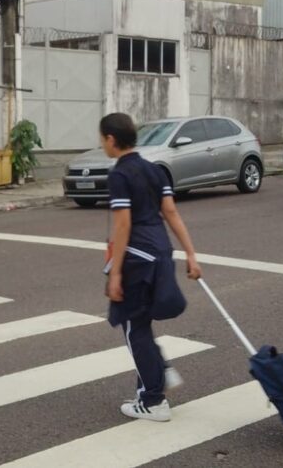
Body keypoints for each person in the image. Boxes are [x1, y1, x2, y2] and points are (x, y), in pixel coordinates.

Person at [101, 112, 203, 422]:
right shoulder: (153, 170)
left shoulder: (120, 174)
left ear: (110, 140)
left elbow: (123, 223)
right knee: (141, 321)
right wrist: (191, 254)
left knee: (133, 325)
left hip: (136, 257)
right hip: (160, 252)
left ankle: (152, 400)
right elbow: (171, 213)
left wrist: (116, 271)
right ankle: (159, 372)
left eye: (102, 139)